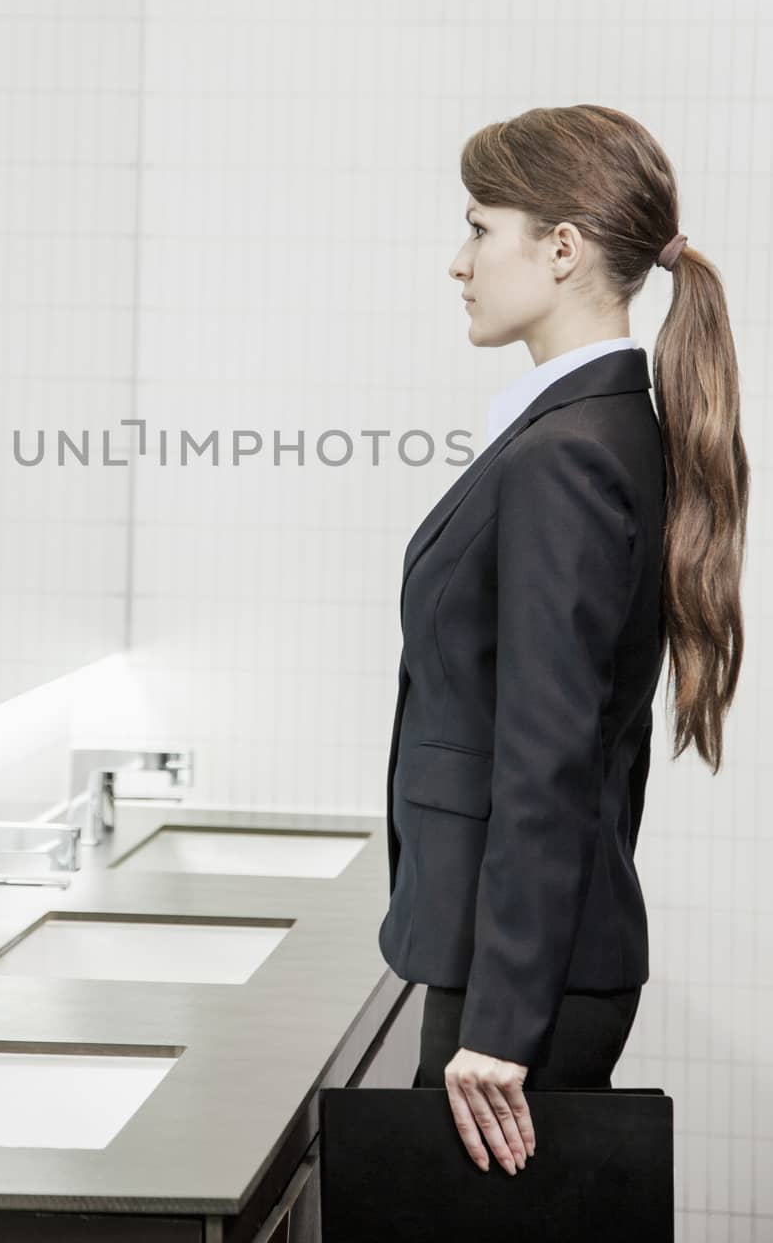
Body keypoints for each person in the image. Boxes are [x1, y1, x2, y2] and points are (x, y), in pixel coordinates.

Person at [377, 104, 749, 1177]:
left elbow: (547, 754)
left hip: (518, 989)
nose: (458, 263)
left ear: (558, 247)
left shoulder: (563, 456)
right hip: (525, 956)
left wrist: (501, 1018)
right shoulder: (595, 429)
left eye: (478, 228)